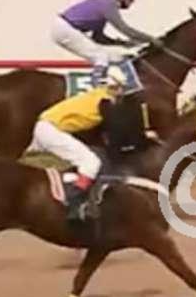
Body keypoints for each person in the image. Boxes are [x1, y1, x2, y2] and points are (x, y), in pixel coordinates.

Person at [32, 64, 137, 223]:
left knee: (89, 158)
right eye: (120, 88)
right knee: (91, 162)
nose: (122, 92)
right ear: (114, 86)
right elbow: (115, 130)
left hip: (48, 126)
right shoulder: (105, 102)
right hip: (50, 130)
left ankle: (72, 183)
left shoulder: (98, 94)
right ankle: (72, 202)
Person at [52, 0, 158, 92]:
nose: (132, 2)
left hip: (65, 28)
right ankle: (97, 87)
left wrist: (122, 43)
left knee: (115, 56)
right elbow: (125, 29)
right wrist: (151, 39)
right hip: (65, 29)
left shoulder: (104, 4)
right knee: (100, 56)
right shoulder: (110, 5)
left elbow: (98, 38)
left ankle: (124, 85)